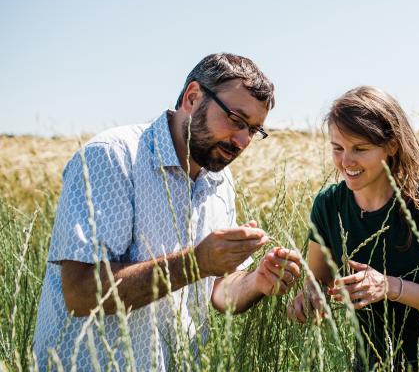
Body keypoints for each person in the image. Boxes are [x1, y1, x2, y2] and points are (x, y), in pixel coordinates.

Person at [33, 53, 302, 371]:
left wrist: (257, 281)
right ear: (192, 97)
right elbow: (80, 293)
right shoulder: (112, 157)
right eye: (236, 120)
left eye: (254, 130)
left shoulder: (219, 177)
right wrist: (195, 263)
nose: (243, 140)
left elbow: (217, 290)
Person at [287, 86, 419, 371]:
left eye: (360, 148)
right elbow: (318, 283)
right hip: (373, 364)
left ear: (391, 145)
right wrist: (309, 300)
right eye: (337, 148)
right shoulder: (328, 204)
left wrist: (390, 286)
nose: (346, 162)